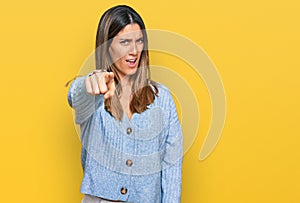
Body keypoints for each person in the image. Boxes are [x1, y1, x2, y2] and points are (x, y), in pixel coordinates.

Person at [67, 5, 183, 203]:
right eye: (125, 42)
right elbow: (75, 95)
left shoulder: (162, 98)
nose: (135, 51)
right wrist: (91, 81)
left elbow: (172, 168)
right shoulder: (93, 94)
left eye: (139, 41)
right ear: (107, 46)